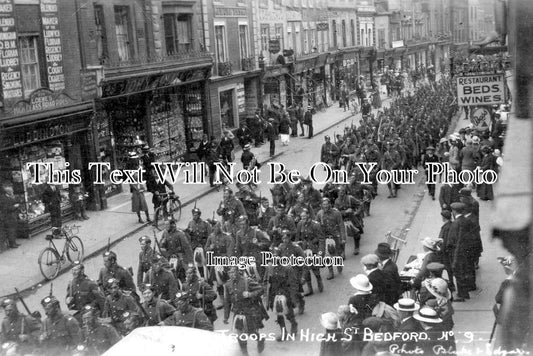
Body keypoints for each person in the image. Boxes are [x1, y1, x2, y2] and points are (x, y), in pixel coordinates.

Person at [223, 266, 267, 355]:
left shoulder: (247, 281)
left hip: (249, 312)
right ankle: (245, 353)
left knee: (251, 332)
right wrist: (226, 316)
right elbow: (227, 302)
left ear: (238, 272)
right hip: (237, 312)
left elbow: (261, 289)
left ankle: (260, 339)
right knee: (240, 335)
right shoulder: (227, 285)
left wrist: (250, 294)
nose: (231, 275)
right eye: (229, 273)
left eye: (233, 272)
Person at [263, 248, 299, 341]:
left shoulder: (287, 268)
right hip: (274, 293)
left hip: (285, 293)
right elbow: (266, 281)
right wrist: (266, 296)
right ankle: (284, 332)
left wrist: (293, 297)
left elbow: (293, 283)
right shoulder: (270, 267)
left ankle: (293, 324)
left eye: (277, 256)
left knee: (288, 313)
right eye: (273, 256)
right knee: (278, 314)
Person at [296, 209, 324, 296]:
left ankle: (319, 281)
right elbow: (298, 238)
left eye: (304, 216)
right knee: (306, 269)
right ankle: (309, 288)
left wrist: (321, 253)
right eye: (301, 217)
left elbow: (321, 239)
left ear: (308, 215)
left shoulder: (316, 225)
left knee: (315, 268)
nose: (303, 218)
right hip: (304, 249)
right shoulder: (300, 224)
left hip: (314, 248)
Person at [316, 198, 346, 279]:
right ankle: (330, 272)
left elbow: (341, 225)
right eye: (324, 204)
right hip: (325, 237)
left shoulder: (336, 213)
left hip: (336, 236)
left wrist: (343, 238)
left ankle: (338, 264)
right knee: (327, 255)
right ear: (322, 205)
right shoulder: (319, 214)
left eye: (327, 204)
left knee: (337, 253)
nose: (325, 206)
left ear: (330, 204)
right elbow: (317, 226)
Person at [0, 184, 20, 249]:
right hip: (7, 217)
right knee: (10, 230)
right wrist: (14, 206)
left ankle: (14, 242)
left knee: (13, 230)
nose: (13, 192)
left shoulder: (10, 196)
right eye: (12, 191)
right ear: (8, 192)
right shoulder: (3, 198)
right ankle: (12, 244)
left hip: (12, 216)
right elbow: (6, 209)